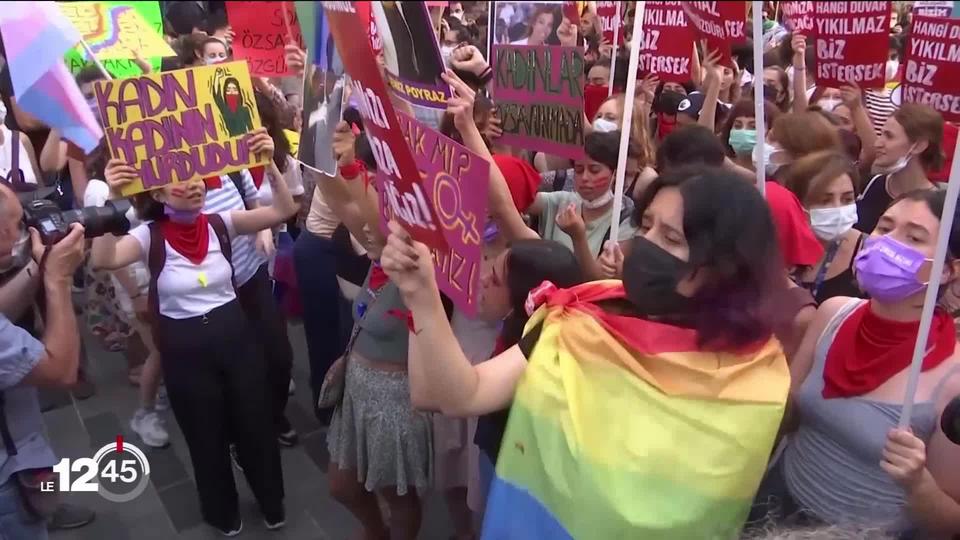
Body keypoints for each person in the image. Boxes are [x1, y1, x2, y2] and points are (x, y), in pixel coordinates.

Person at [382, 165, 790, 537]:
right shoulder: (584, 312)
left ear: (725, 266)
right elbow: (465, 394)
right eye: (646, 225)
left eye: (671, 238)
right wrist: (421, 292)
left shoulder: (757, 375)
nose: (644, 245)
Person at [91, 129, 295, 536]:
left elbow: (282, 211)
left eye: (197, 176)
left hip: (235, 341)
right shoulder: (148, 236)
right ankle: (223, 513)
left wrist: (269, 163)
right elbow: (104, 259)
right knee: (205, 436)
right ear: (161, 195)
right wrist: (105, 201)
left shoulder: (221, 222)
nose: (194, 184)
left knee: (255, 424)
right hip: (185, 354)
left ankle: (272, 502)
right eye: (180, 179)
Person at [753, 189, 960, 535]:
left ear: (946, 272)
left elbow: (949, 523)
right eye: (884, 227)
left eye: (914, 237)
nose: (886, 243)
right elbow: (783, 416)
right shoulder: (833, 313)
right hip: (774, 505)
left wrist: (918, 482)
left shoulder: (952, 379)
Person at [0, 182, 85, 540]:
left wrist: (39, 265)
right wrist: (59, 278)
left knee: (49, 488)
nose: (24, 233)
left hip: (25, 453)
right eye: (19, 225)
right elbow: (61, 370)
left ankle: (53, 504)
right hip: (9, 484)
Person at [528, 131, 636, 274]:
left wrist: (578, 238)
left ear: (615, 174)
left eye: (594, 170)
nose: (585, 177)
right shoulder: (562, 201)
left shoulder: (625, 221)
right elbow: (518, 200)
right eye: (579, 170)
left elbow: (599, 282)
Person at [783, 152, 866, 304]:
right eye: (824, 201)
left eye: (847, 199)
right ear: (797, 203)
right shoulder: (775, 249)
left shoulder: (867, 253)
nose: (838, 209)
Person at [856, 104, 944, 234]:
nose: (878, 143)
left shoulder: (939, 205)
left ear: (919, 146)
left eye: (889, 136)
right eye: (881, 135)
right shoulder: (868, 184)